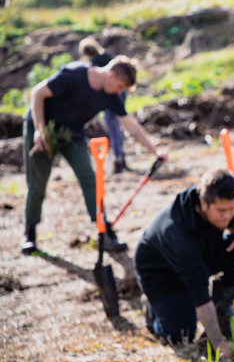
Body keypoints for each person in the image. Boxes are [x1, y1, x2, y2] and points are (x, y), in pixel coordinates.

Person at [22, 55, 168, 255]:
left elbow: (130, 125)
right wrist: (40, 129)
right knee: (37, 184)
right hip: (42, 130)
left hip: (72, 134)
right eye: (120, 86)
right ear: (110, 75)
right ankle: (29, 233)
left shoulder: (110, 95)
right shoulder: (74, 75)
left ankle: (104, 231)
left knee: (91, 180)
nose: (119, 92)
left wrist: (155, 151)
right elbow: (37, 93)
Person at [134, 169, 234, 356]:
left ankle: (222, 310)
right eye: (222, 211)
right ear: (203, 204)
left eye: (231, 208)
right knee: (181, 335)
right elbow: (200, 293)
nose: (228, 216)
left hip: (200, 254)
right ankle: (154, 313)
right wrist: (218, 343)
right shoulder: (177, 233)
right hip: (162, 275)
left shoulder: (212, 196)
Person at [79, 37, 128, 174]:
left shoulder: (95, 62)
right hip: (120, 95)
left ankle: (118, 160)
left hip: (111, 97)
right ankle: (121, 158)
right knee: (118, 127)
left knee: (112, 127)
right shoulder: (107, 56)